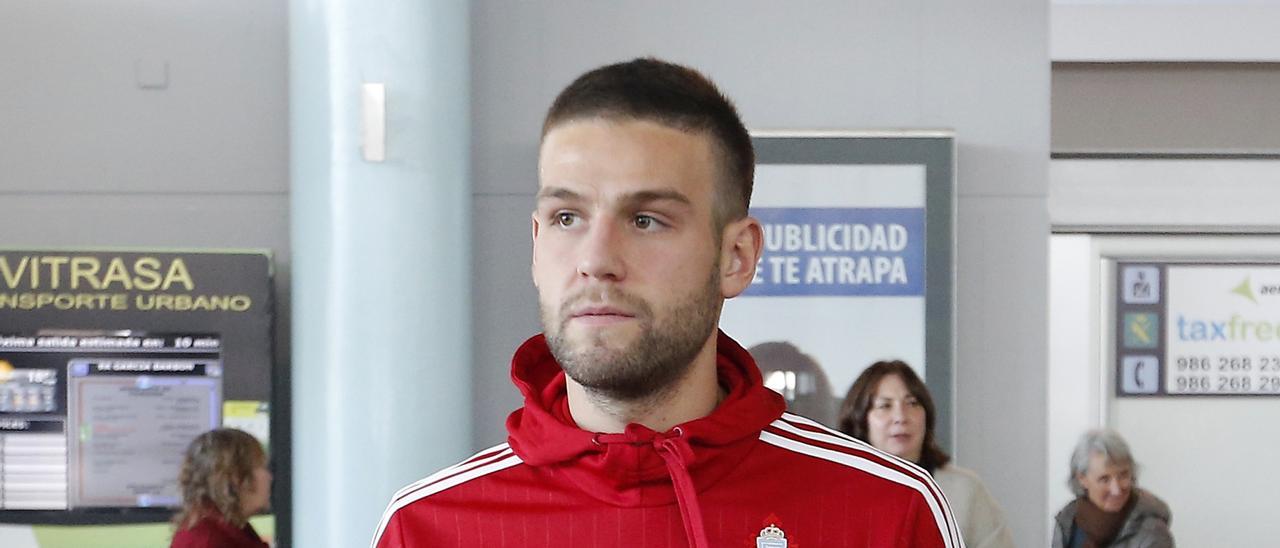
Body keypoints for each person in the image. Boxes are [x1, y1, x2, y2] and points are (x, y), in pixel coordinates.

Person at [372, 58, 961, 548]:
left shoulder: (886, 512)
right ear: (535, 245)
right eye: (567, 217)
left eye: (646, 219)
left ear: (736, 256)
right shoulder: (428, 527)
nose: (595, 258)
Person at [838, 360, 1014, 548]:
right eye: (885, 406)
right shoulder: (842, 496)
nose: (901, 417)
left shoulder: (965, 491)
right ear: (860, 420)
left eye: (912, 403)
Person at [1051, 429, 1173, 548]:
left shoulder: (1152, 533)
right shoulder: (1068, 522)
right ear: (1082, 479)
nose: (1116, 490)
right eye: (1104, 479)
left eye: (1123, 476)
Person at [171, 428, 272, 548]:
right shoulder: (209, 540)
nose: (269, 477)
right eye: (261, 466)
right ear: (236, 477)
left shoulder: (234, 530)